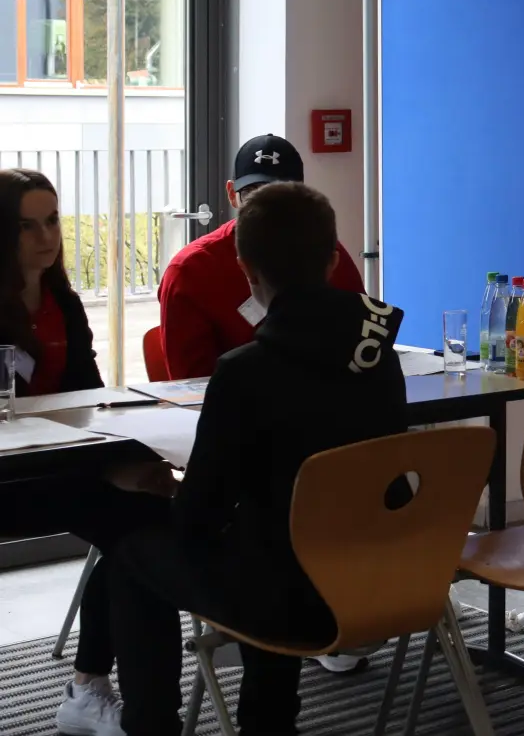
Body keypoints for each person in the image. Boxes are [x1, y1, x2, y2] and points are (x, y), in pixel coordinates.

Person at [0, 182, 408, 736]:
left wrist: (176, 491)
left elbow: (199, 519)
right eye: (32, 224)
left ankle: (152, 725)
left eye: (53, 220)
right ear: (335, 258)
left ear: (245, 268)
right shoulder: (380, 352)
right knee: (250, 542)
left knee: (139, 554)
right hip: (390, 572)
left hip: (285, 593)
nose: (48, 235)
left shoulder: (244, 371)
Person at [159, 134, 364, 380]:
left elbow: (359, 343)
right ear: (232, 194)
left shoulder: (323, 251)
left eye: (279, 196)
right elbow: (192, 387)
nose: (268, 210)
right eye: (252, 193)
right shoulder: (190, 271)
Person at [0, 169, 103, 396]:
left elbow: (90, 390)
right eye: (27, 226)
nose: (46, 237)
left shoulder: (66, 303)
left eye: (52, 221)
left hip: (70, 430)